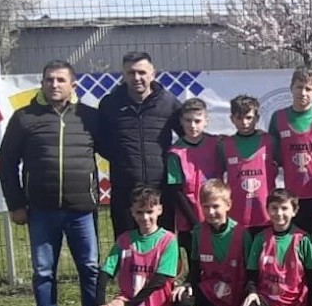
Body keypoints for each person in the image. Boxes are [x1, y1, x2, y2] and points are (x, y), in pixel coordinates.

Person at [0, 60, 101, 306]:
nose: (54, 84)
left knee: (90, 268)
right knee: (43, 271)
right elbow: (6, 164)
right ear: (42, 83)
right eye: (49, 79)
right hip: (41, 210)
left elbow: (116, 150)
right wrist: (16, 204)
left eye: (60, 80)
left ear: (72, 85)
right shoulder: (24, 118)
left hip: (82, 209)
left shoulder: (89, 117)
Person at [171, 180, 252, 306]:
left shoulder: (242, 234)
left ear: (228, 205)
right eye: (206, 207)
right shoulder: (198, 232)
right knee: (178, 299)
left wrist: (251, 293)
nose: (210, 212)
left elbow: (252, 271)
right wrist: (187, 284)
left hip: (237, 294)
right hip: (210, 290)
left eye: (216, 206)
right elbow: (195, 265)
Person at [98, 52, 182, 237]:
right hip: (125, 191)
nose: (136, 77)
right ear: (123, 75)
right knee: (127, 246)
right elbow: (100, 141)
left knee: (163, 245)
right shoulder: (110, 104)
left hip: (160, 189)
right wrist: (121, 158)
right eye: (131, 73)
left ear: (153, 73)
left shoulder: (168, 103)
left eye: (142, 72)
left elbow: (187, 137)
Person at [268, 66, 312, 234]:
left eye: (308, 88)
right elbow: (272, 151)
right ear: (291, 88)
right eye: (299, 87)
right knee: (300, 241)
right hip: (294, 195)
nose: (303, 92)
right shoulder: (278, 118)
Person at [167, 98, 221, 263]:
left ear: (206, 120)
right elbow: (176, 190)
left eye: (197, 121)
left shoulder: (217, 144)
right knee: (196, 261)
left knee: (220, 258)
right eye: (188, 120)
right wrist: (194, 222)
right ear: (181, 122)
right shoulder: (175, 152)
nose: (192, 125)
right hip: (189, 217)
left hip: (216, 212)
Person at [220, 94, 277, 237]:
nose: (244, 123)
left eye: (249, 118)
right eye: (239, 118)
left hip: (266, 215)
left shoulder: (270, 141)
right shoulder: (224, 145)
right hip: (236, 216)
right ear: (232, 119)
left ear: (257, 118)